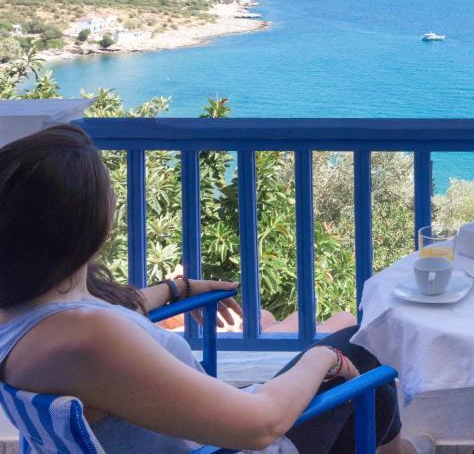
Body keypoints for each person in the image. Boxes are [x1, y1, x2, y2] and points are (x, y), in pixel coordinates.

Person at [0, 125, 433, 454]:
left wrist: (175, 289)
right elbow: (260, 425)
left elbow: (110, 310)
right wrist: (326, 358)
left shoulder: (25, 308)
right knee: (359, 354)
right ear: (79, 229)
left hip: (211, 426)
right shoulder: (86, 341)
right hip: (232, 440)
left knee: (341, 372)